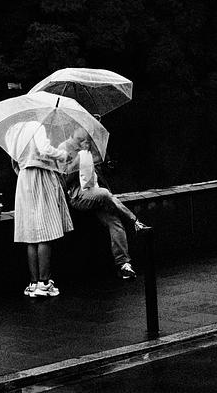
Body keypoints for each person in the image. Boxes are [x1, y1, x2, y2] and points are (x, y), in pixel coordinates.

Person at [68, 142, 151, 280]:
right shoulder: (69, 151)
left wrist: (106, 164)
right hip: (80, 197)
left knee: (115, 222)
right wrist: (77, 165)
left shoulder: (97, 151)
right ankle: (134, 220)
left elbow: (109, 172)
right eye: (83, 141)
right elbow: (65, 180)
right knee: (105, 194)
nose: (86, 143)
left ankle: (123, 265)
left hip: (98, 196)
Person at [12, 124, 74, 298]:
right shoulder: (36, 125)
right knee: (45, 231)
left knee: (31, 235)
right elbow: (44, 148)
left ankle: (33, 283)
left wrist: (24, 171)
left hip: (24, 179)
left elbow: (14, 161)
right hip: (39, 176)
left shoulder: (14, 130)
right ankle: (44, 282)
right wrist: (63, 155)